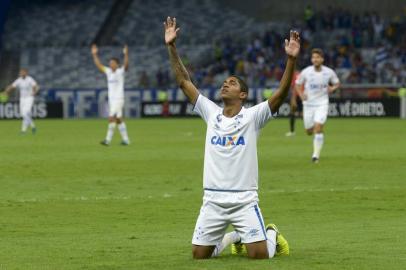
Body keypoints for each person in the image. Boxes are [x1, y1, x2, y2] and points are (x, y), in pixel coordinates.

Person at [164, 17, 300, 259]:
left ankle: (271, 232)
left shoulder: (253, 117)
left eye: (232, 83)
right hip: (213, 200)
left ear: (243, 94)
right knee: (199, 255)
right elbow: (184, 81)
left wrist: (290, 60)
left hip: (243, 200)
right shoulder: (211, 113)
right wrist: (171, 47)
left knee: (259, 256)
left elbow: (280, 95)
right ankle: (232, 237)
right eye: (225, 82)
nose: (225, 85)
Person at [295, 48, 340, 163]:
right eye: (314, 57)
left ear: (322, 59)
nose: (315, 59)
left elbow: (337, 83)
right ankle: (313, 136)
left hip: (322, 103)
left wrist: (332, 88)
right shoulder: (306, 71)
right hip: (308, 104)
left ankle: (315, 156)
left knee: (318, 127)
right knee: (309, 131)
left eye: (318, 57)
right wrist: (301, 95)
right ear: (311, 59)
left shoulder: (329, 72)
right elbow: (297, 84)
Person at [91, 44, 130, 146]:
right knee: (118, 120)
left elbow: (126, 66)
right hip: (112, 100)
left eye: (112, 63)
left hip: (118, 99)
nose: (111, 65)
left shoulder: (120, 72)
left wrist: (126, 54)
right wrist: (95, 54)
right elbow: (99, 66)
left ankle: (107, 140)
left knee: (111, 117)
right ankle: (126, 140)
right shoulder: (108, 72)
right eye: (110, 63)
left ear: (117, 64)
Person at [2, 68, 39, 134]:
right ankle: (32, 127)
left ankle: (24, 130)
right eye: (21, 72)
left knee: (25, 113)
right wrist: (5, 91)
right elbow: (12, 86)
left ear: (26, 73)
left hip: (29, 98)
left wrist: (34, 92)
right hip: (22, 98)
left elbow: (35, 86)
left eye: (23, 72)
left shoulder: (30, 79)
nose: (21, 73)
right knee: (24, 114)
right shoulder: (19, 80)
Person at [285, 69, 303, 137]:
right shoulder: (302, 74)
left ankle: (292, 132)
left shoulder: (293, 75)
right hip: (302, 95)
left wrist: (293, 99)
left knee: (293, 113)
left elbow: (294, 87)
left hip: (298, 96)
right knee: (301, 114)